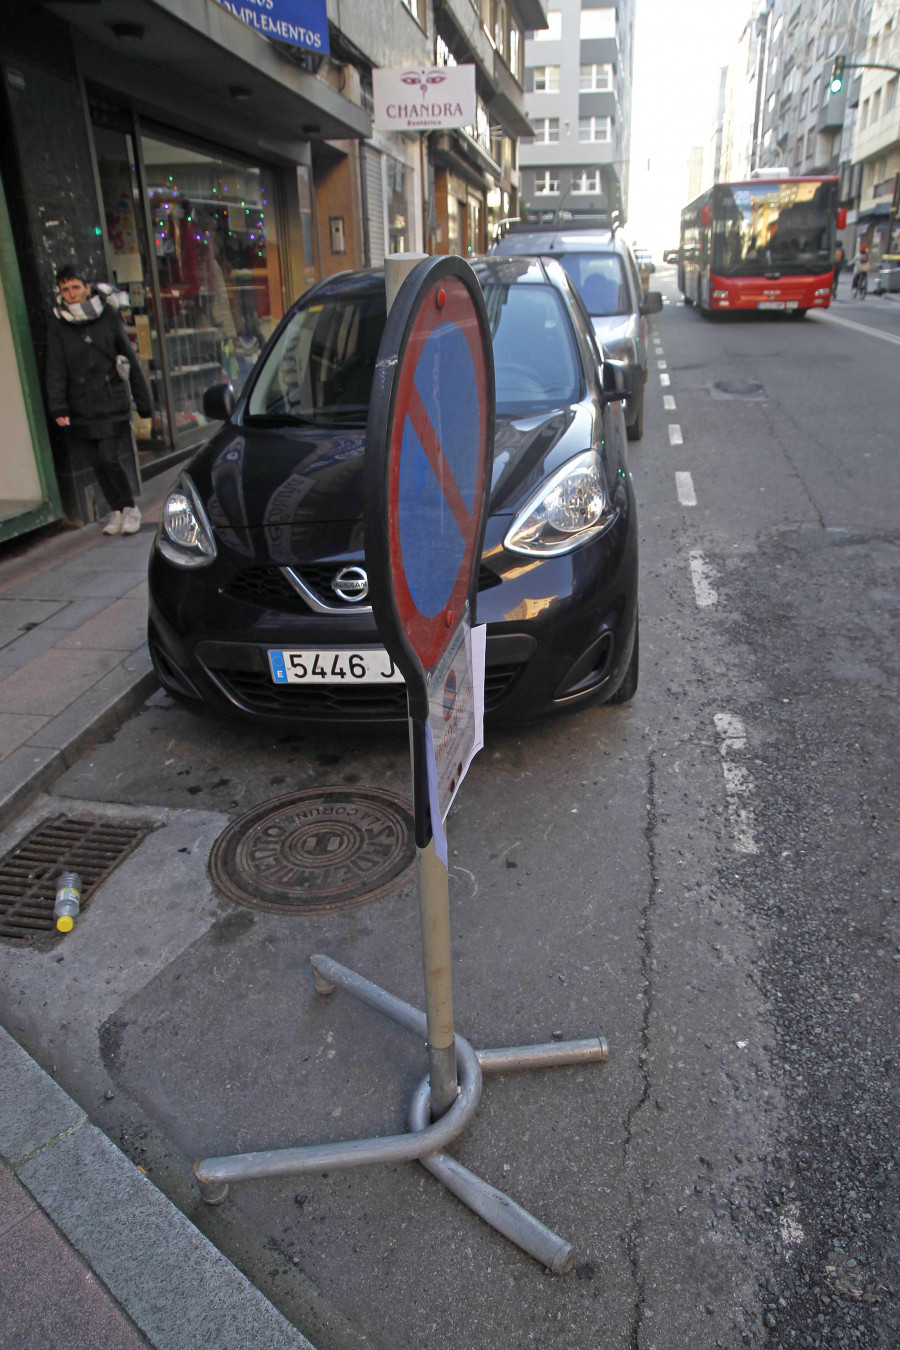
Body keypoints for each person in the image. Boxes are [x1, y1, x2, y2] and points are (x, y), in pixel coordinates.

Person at [46, 265, 152, 535]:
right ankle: (116, 511)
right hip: (80, 403)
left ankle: (130, 508)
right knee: (96, 462)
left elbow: (129, 356)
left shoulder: (108, 315)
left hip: (110, 399)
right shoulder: (58, 324)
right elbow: (55, 366)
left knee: (108, 458)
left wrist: (143, 401)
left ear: (86, 287)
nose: (71, 294)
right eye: (65, 289)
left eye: (76, 288)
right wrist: (58, 405)